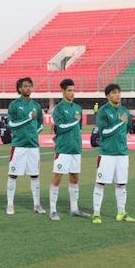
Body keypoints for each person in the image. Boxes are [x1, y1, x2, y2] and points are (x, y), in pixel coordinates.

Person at [92, 83, 135, 224]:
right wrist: (118, 122)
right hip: (107, 154)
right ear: (108, 95)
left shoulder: (125, 111)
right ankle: (96, 213)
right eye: (114, 92)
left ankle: (121, 212)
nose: (117, 95)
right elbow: (103, 132)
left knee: (122, 184)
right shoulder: (103, 111)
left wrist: (122, 133)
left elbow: (127, 129)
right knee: (100, 183)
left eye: (119, 92)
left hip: (122, 153)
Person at [49, 79, 90, 221]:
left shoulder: (78, 108)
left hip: (75, 149)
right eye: (69, 90)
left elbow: (78, 129)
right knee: (57, 177)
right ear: (63, 91)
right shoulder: (58, 109)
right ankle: (53, 210)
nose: (72, 93)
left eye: (73, 90)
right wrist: (74, 121)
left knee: (74, 177)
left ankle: (74, 209)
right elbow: (60, 127)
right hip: (63, 148)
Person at [5, 77, 45, 216]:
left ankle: (37, 204)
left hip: (33, 146)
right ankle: (10, 204)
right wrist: (28, 119)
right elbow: (11, 124)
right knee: (13, 175)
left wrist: (34, 132)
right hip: (19, 146)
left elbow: (40, 125)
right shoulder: (14, 105)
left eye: (30, 86)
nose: (28, 88)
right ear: (20, 89)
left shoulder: (37, 106)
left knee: (35, 175)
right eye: (25, 86)